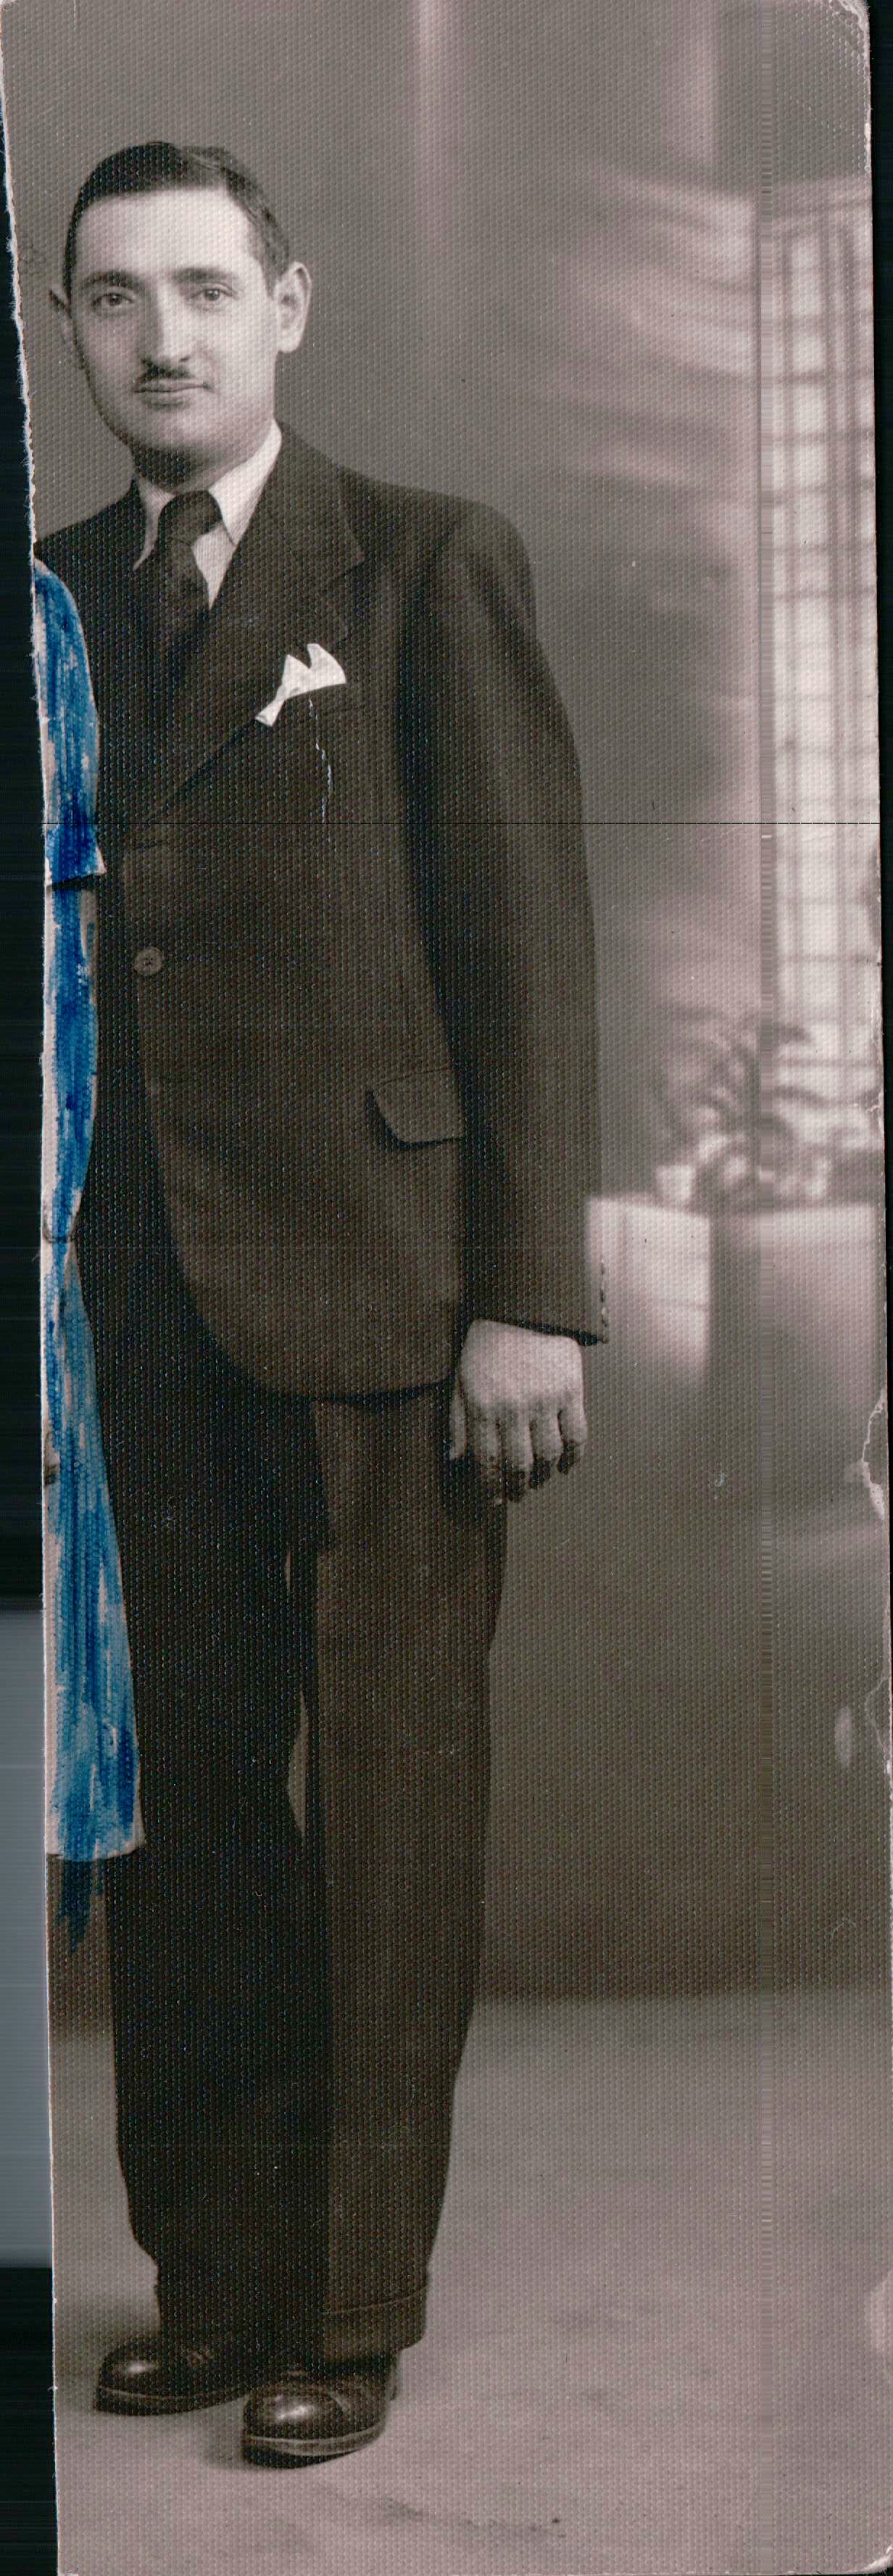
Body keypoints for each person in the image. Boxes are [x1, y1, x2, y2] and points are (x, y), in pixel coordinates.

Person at [41, 140, 605, 2468]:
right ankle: (216, 2278)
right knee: (179, 1810)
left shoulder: (426, 562)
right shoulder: (46, 600)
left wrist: (531, 1300)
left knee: (383, 1816)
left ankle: (351, 2309)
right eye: (110, 298)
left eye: (202, 287)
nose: (159, 337)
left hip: (392, 1292)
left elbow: (527, 950)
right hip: (128, 1312)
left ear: (289, 305)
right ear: (68, 334)